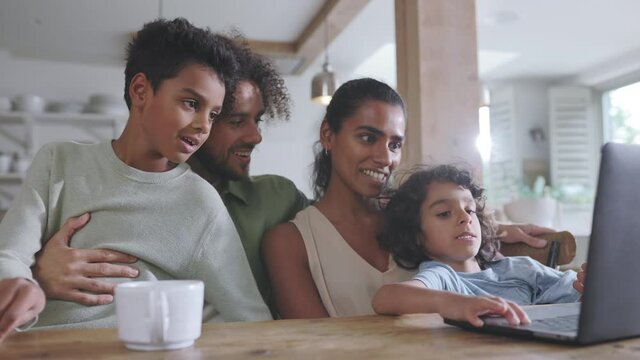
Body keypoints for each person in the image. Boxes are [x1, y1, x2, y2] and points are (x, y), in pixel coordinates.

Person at [0, 18, 271, 342]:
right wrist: (22, 283)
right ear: (141, 90)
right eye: (191, 103)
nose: (203, 125)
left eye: (212, 114)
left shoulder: (200, 201)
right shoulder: (59, 162)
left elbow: (250, 317)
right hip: (37, 346)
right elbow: (9, 254)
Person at [31, 36, 308, 311]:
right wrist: (35, 273)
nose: (256, 136)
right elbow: (15, 255)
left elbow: (339, 227)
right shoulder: (70, 171)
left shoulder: (276, 197)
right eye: (235, 121)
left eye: (257, 120)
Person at [262, 78, 559, 319]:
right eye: (367, 137)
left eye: (395, 144)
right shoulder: (290, 241)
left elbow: (482, 267)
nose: (384, 157)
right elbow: (311, 345)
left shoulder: (420, 218)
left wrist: (497, 230)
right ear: (328, 135)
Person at [372, 164, 585, 327]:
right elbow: (385, 298)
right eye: (444, 213)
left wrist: (588, 284)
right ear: (416, 234)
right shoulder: (442, 276)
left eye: (470, 209)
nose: (465, 218)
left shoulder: (520, 267)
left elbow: (574, 290)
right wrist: (459, 304)